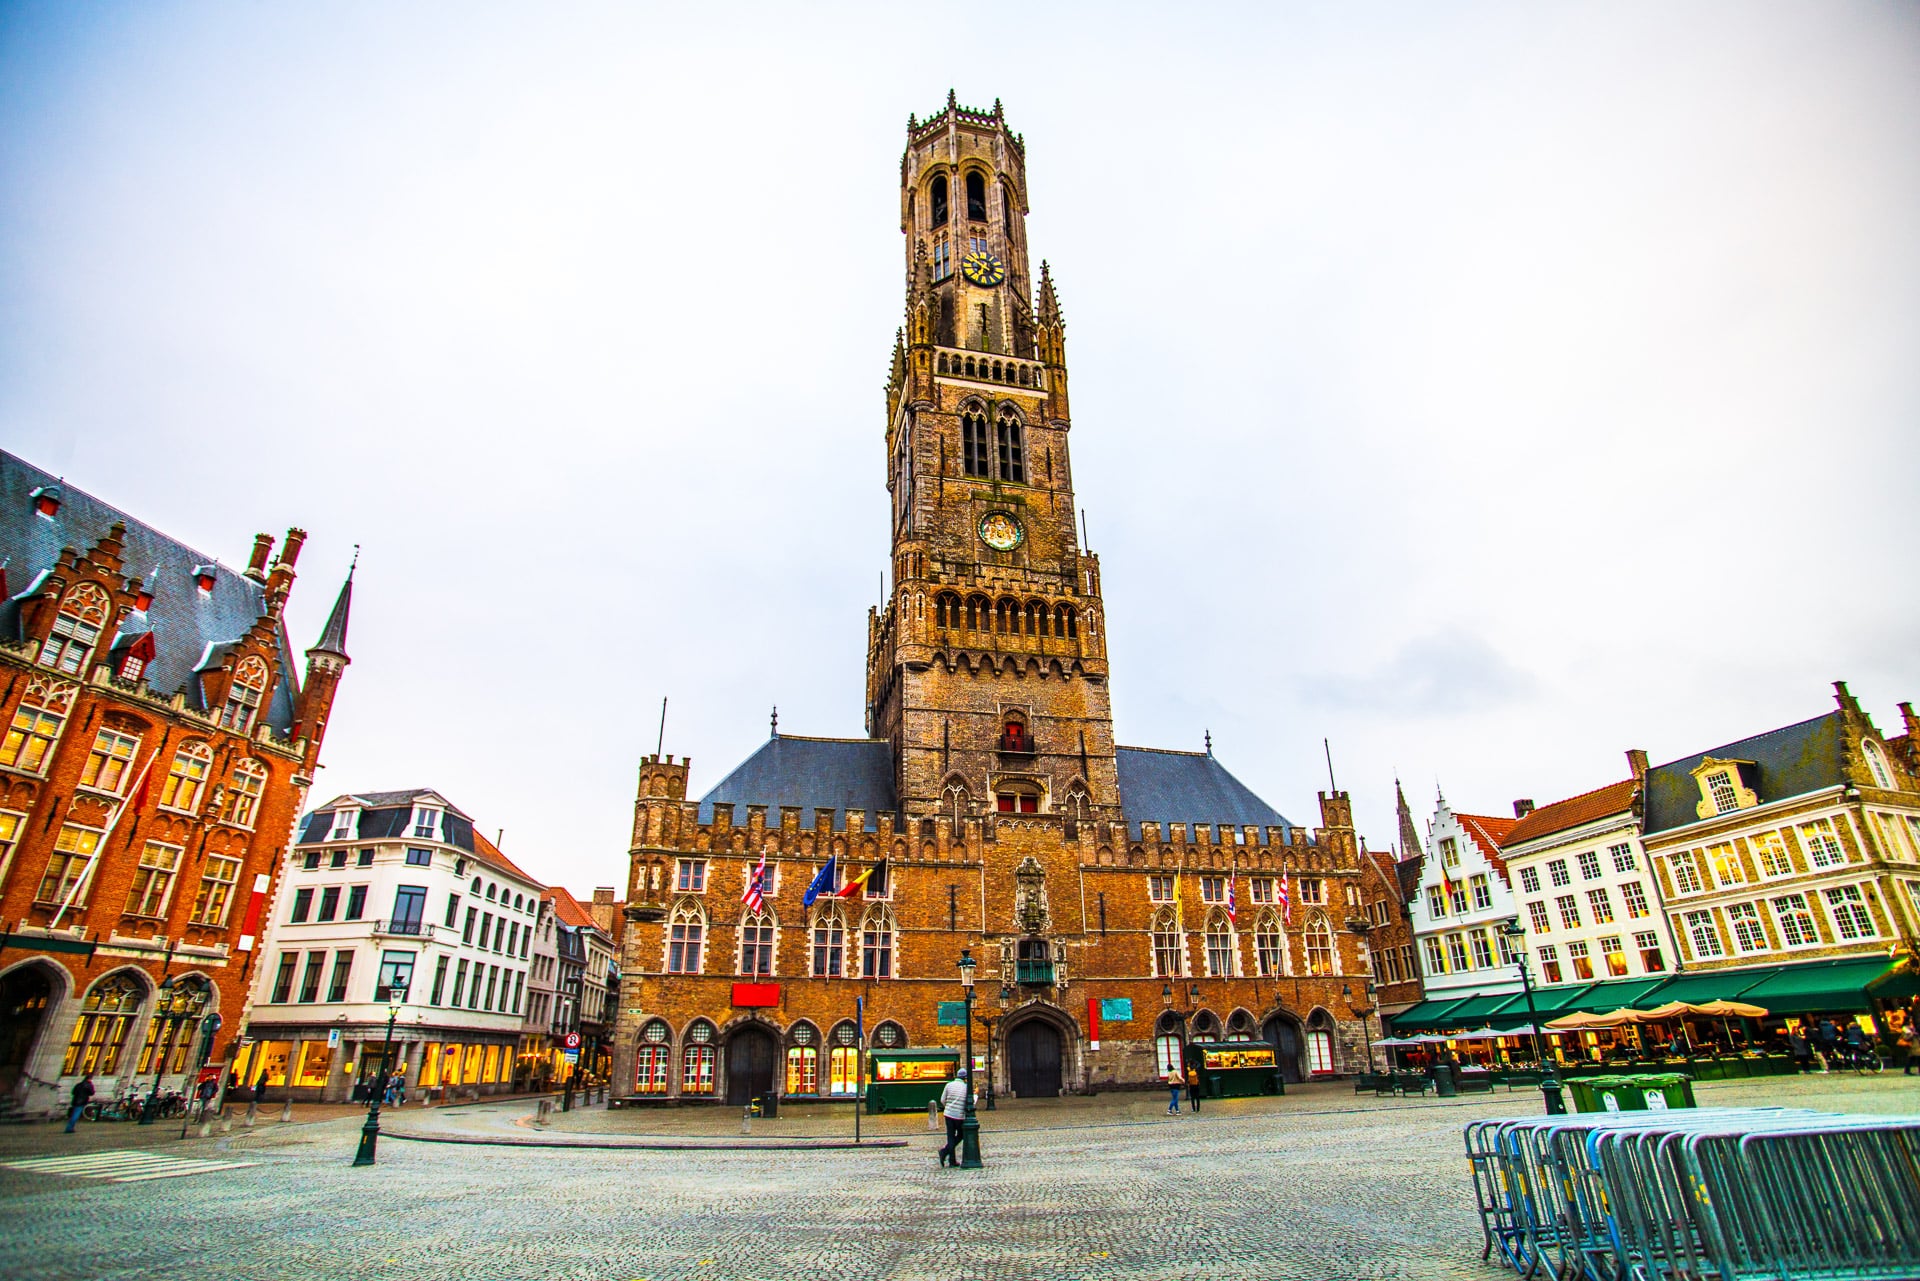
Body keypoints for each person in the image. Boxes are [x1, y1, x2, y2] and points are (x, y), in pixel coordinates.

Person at [936, 1068, 970, 1167]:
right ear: (965, 1078)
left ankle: (951, 1159)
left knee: (950, 1136)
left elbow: (942, 1100)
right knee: (961, 1135)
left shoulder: (949, 1085)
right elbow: (968, 1102)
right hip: (959, 1116)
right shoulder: (966, 1087)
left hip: (948, 1114)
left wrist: (949, 1106)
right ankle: (944, 1152)